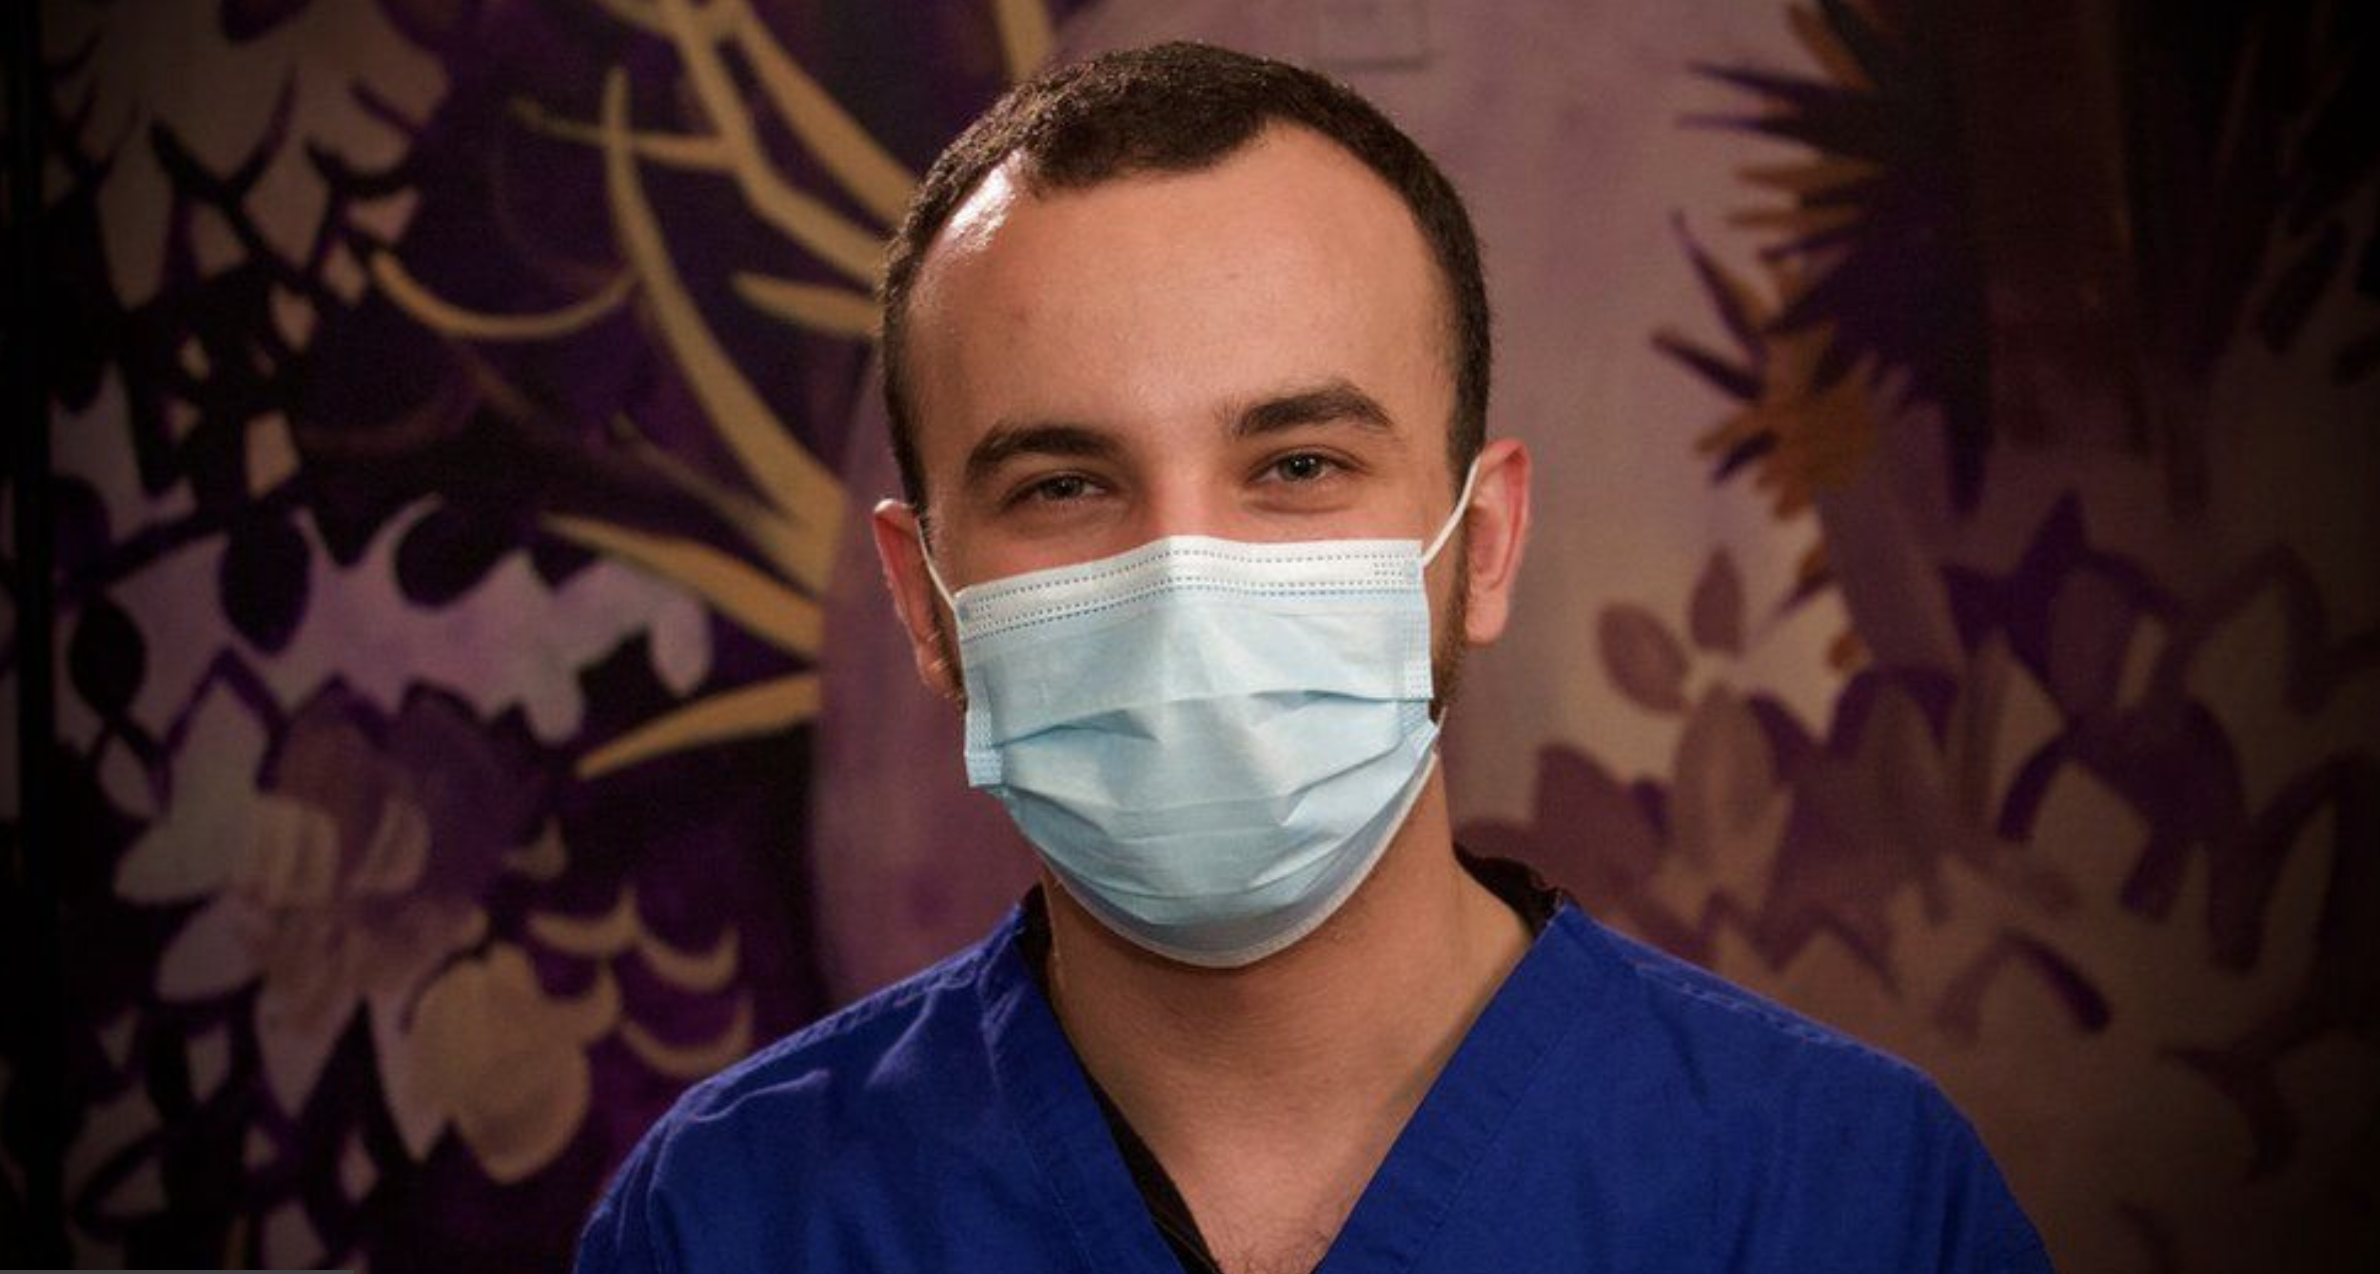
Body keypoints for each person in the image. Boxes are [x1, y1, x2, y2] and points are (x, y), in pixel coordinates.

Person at [575, 41, 2051, 1274]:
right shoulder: (730, 1221)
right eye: (1064, 485)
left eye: (1297, 465)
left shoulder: (1848, 1197)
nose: (1184, 581)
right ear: (924, 598)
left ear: (1482, 544)